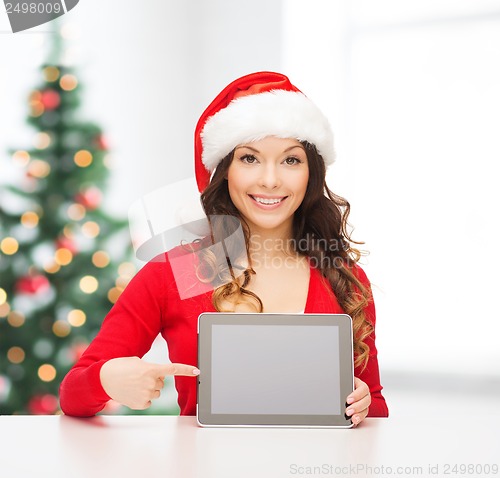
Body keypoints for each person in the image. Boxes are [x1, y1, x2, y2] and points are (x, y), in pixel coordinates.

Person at [59, 71, 389, 424]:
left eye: (291, 160)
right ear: (225, 170)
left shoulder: (342, 278)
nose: (270, 180)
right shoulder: (180, 273)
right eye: (250, 158)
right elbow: (73, 393)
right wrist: (107, 380)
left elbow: (377, 411)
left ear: (312, 174)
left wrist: (363, 404)